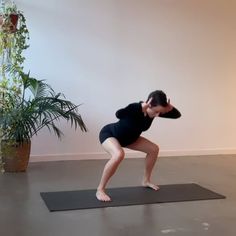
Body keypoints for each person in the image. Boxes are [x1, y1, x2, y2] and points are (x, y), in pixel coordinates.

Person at [96, 90, 181, 201]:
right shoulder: (136, 108)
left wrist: (170, 107)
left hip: (130, 139)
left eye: (160, 112)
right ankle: (100, 190)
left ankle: (146, 181)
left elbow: (177, 115)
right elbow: (118, 114)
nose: (157, 115)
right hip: (111, 134)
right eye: (156, 112)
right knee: (118, 154)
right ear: (149, 104)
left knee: (154, 149)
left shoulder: (157, 110)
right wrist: (138, 107)